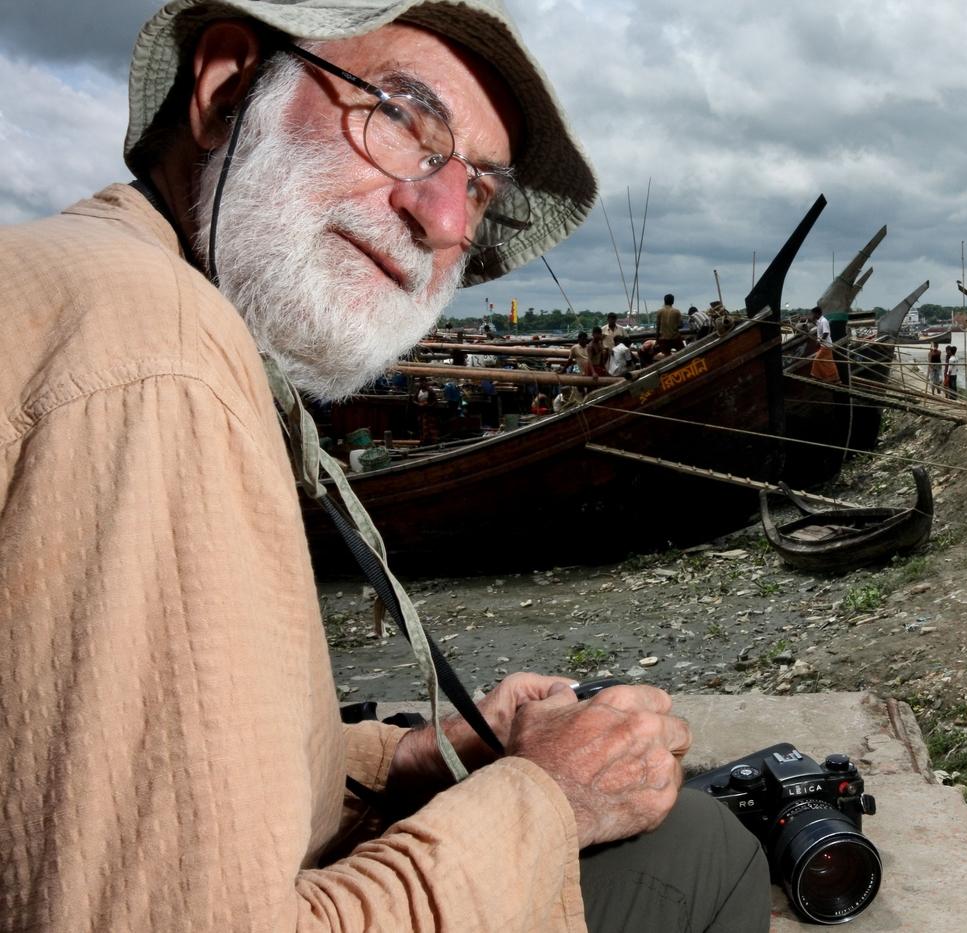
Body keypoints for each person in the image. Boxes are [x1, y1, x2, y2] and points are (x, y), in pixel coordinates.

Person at [0, 2, 769, 931]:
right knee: (704, 849)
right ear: (226, 88)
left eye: (480, 187)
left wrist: (404, 756)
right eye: (405, 117)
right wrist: (551, 794)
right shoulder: (160, 354)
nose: (446, 219)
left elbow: (138, 761)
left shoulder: (89, 278)